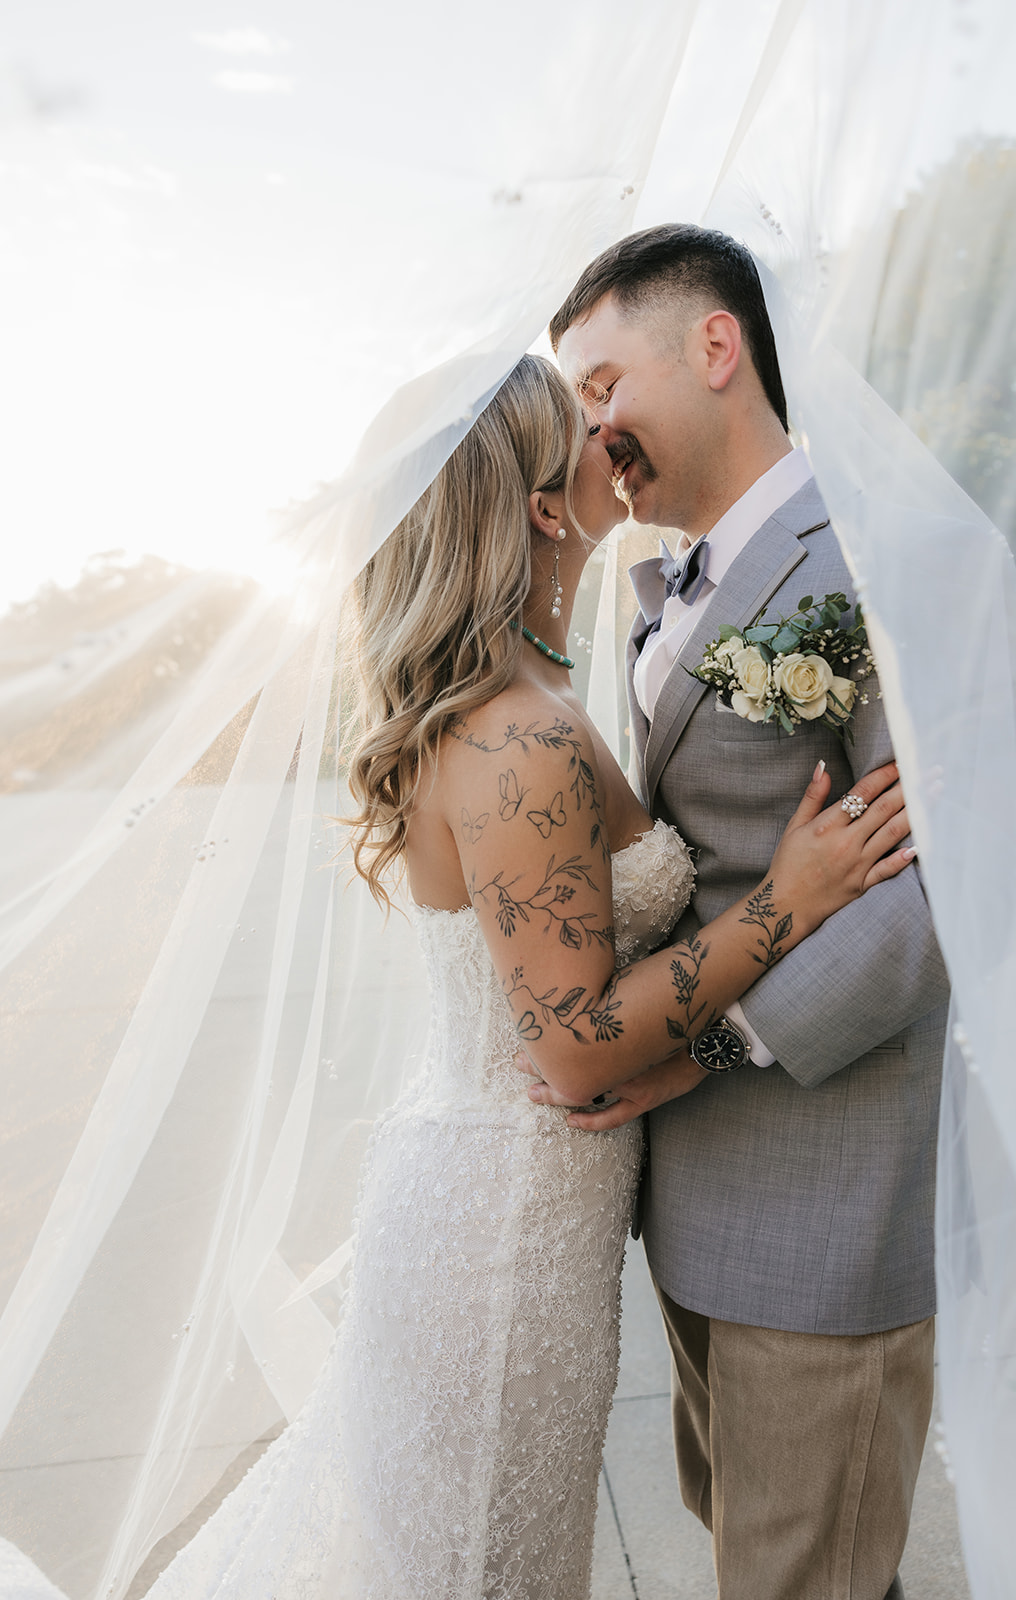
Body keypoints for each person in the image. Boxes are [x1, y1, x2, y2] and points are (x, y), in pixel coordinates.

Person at [0, 354, 913, 1600]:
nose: (610, 429)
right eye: (581, 419)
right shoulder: (516, 731)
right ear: (544, 504)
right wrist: (788, 900)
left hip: (517, 1202)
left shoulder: (520, 697)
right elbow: (576, 1041)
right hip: (503, 1233)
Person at [531, 225, 951, 1600]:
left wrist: (692, 1048)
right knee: (770, 1561)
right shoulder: (660, 591)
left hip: (825, 1205)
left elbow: (936, 901)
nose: (589, 432)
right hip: (693, 1207)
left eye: (600, 386)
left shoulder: (877, 565)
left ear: (714, 345)